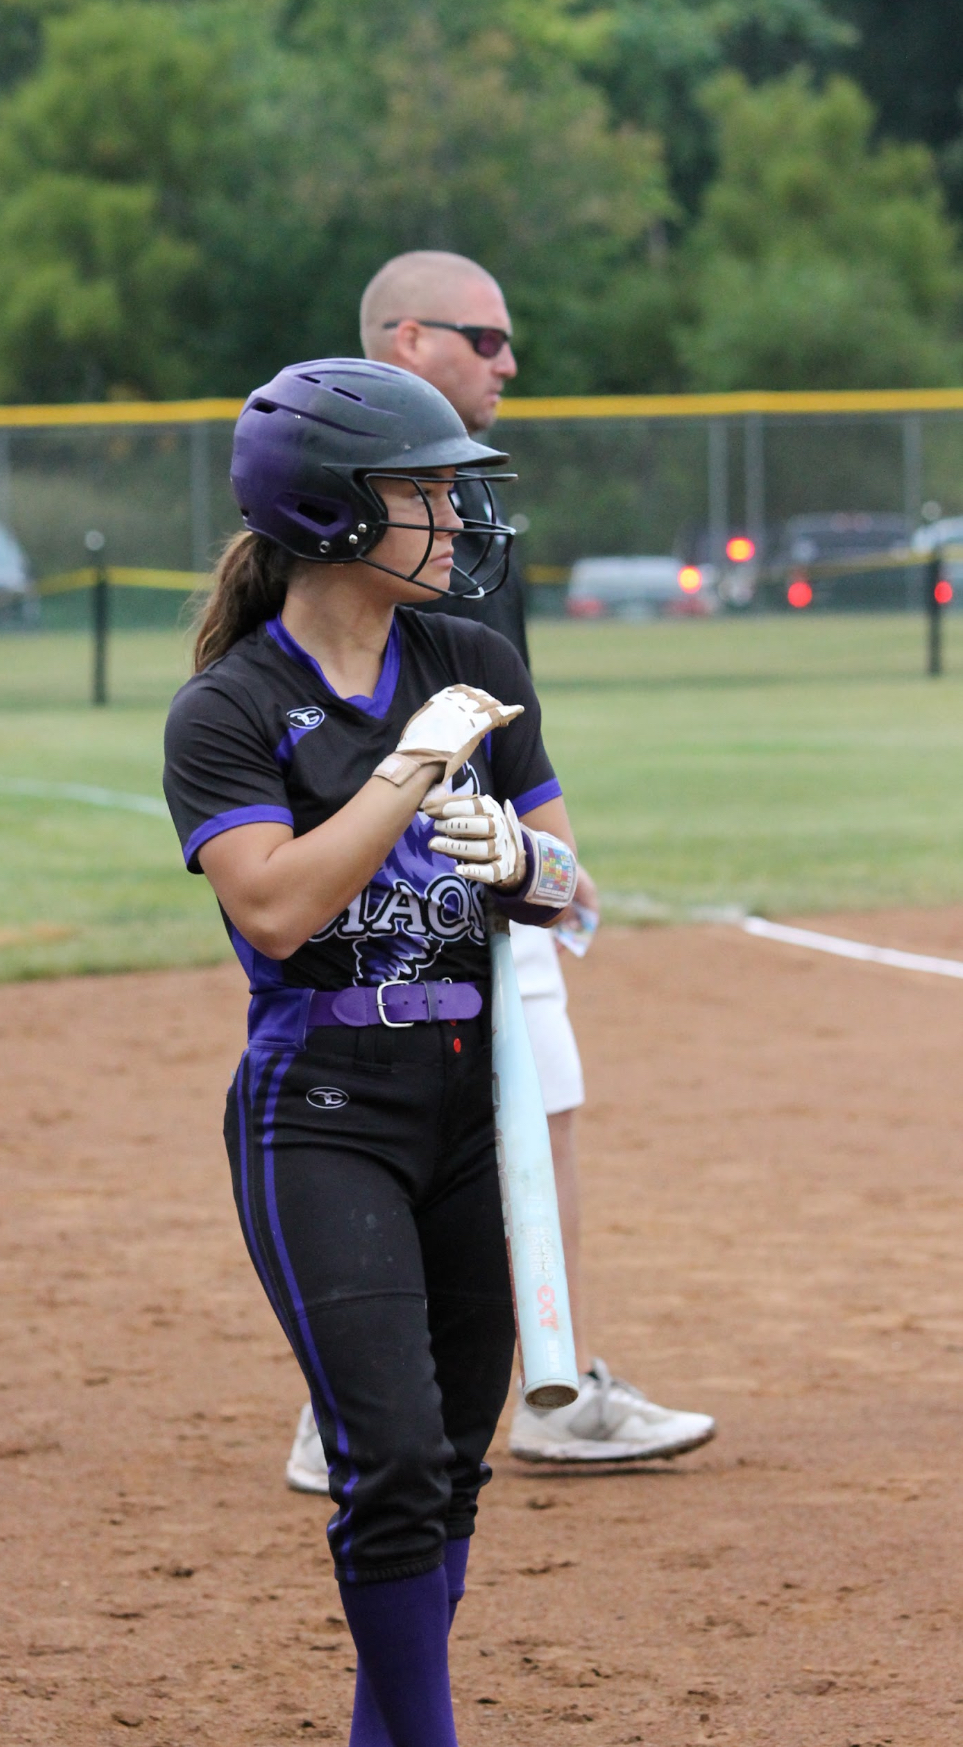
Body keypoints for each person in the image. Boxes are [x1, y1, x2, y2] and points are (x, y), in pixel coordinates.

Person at [163, 356, 582, 1747]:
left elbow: (576, 884)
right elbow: (275, 906)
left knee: (448, 1467)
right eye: (427, 489)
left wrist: (528, 856)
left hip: (473, 1105)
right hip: (324, 1110)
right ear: (338, 513)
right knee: (388, 1457)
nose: (457, 518)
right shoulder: (229, 706)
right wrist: (409, 767)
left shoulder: (474, 660)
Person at [286, 251, 715, 1487]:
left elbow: (498, 695)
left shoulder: (465, 510)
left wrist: (531, 840)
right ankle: (348, 1399)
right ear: (407, 340)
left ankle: (559, 1379)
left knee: (545, 1106)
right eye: (486, 338)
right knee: (362, 1105)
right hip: (375, 871)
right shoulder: (332, 498)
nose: (509, 362)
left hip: (492, 849)